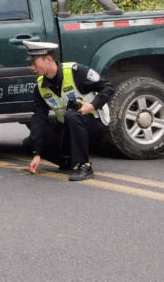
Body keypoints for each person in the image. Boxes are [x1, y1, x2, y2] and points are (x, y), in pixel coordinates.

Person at [24, 41, 114, 181]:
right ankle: (67, 160)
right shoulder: (41, 87)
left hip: (95, 124)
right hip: (69, 127)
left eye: (34, 63)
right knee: (30, 142)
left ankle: (85, 166)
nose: (32, 68)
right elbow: (39, 118)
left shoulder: (75, 71)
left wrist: (92, 106)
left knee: (72, 115)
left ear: (48, 59)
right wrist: (37, 154)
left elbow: (108, 87)